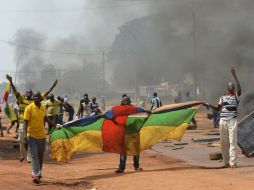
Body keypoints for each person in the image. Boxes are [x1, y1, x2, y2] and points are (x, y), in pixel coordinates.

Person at [6, 74, 57, 162]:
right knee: (21, 141)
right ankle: (23, 155)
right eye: (28, 92)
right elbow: (15, 92)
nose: (29, 93)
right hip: (22, 124)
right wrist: (11, 82)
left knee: (30, 141)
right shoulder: (21, 100)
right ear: (25, 94)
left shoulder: (35, 101)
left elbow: (46, 93)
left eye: (31, 92)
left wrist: (53, 86)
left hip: (32, 124)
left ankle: (29, 156)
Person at [206, 67, 241, 168]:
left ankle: (233, 162)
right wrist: (209, 105)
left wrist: (234, 75)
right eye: (230, 86)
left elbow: (239, 88)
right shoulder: (223, 97)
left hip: (232, 121)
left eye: (232, 86)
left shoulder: (236, 96)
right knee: (223, 142)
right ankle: (226, 162)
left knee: (232, 141)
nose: (232, 87)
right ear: (227, 88)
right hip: (223, 121)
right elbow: (217, 108)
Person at [23, 91, 58, 184]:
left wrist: (55, 125)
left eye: (37, 97)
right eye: (34, 97)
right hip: (31, 135)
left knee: (40, 156)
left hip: (42, 135)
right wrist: (24, 136)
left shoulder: (43, 107)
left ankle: (36, 172)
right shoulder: (29, 108)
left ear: (40, 98)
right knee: (34, 155)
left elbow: (45, 118)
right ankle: (36, 174)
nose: (36, 98)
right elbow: (25, 122)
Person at [115, 94, 143, 173]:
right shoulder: (132, 109)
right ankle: (130, 167)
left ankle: (124, 167)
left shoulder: (133, 109)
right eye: (125, 101)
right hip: (128, 132)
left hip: (131, 132)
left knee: (133, 150)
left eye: (127, 101)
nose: (126, 103)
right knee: (126, 151)